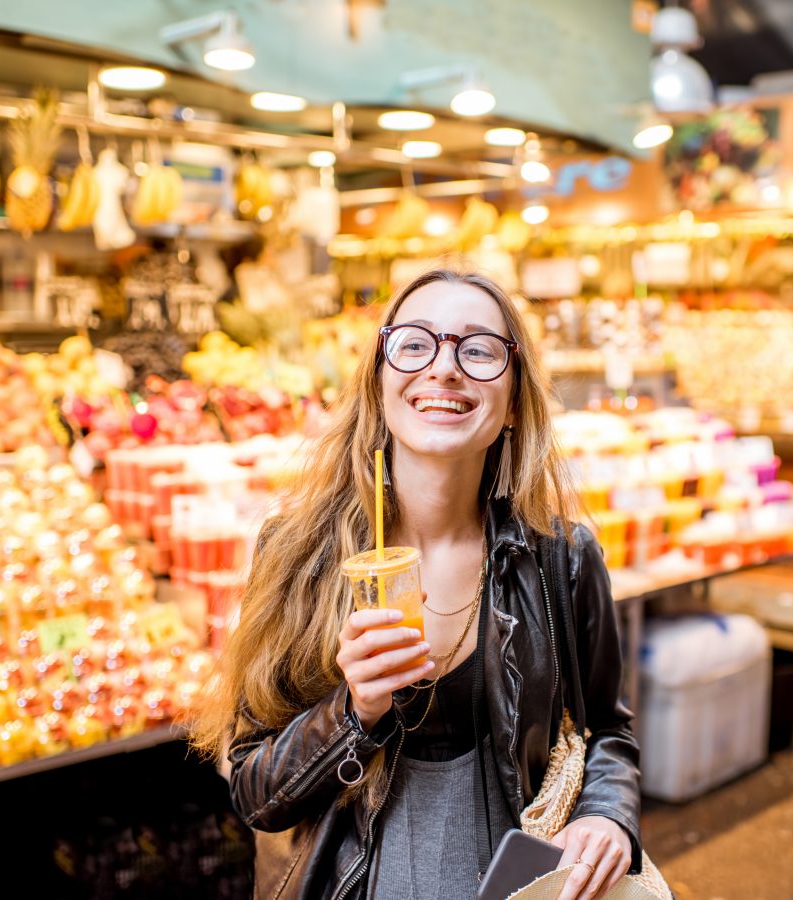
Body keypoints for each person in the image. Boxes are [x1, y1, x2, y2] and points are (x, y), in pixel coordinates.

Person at [192, 269, 642, 900]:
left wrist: (606, 816)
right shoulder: (298, 554)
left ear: (514, 402)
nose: (444, 369)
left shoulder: (560, 561)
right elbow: (256, 795)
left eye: (478, 350)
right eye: (414, 344)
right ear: (379, 383)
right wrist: (354, 711)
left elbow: (608, 735)